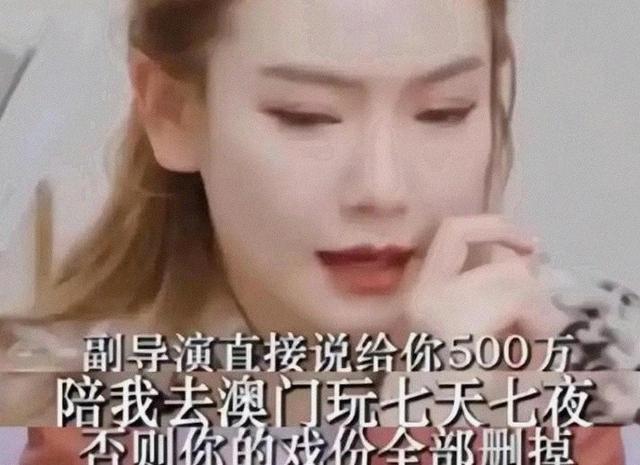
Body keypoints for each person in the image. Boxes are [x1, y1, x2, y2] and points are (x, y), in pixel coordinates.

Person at [0, 0, 637, 463]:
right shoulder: (81, 397)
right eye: (306, 116)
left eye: (444, 111)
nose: (383, 189)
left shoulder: (584, 358)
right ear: (172, 112)